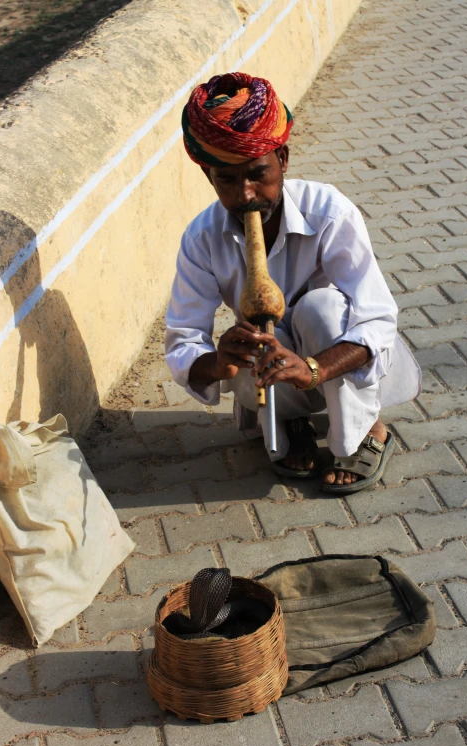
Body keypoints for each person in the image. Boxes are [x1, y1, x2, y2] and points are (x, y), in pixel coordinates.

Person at [165, 72, 421, 494]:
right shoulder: (201, 237)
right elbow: (182, 340)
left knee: (320, 308)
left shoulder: (329, 212)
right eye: (226, 180)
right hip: (273, 370)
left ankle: (365, 433)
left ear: (281, 160)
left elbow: (378, 319)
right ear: (209, 177)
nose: (245, 194)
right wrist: (217, 362)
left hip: (336, 359)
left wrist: (313, 369)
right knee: (251, 340)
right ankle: (290, 425)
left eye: (257, 174)